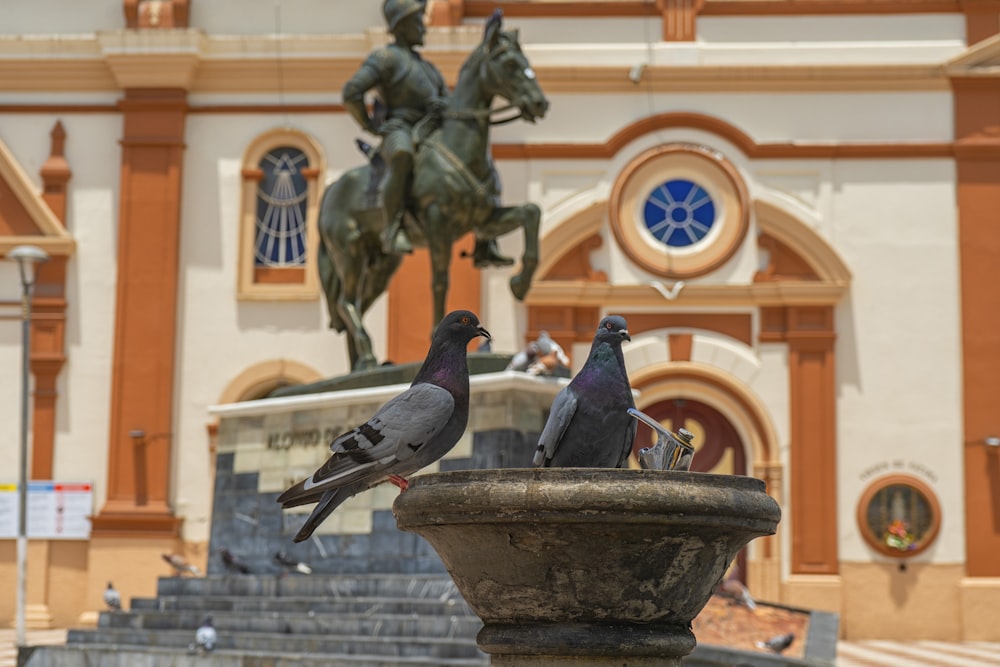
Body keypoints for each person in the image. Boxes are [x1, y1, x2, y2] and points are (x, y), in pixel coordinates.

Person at [342, 0, 449, 255]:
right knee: (402, 157)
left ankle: (482, 235)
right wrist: (369, 125)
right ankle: (393, 228)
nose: (423, 27)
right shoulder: (385, 58)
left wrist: (442, 106)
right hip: (399, 128)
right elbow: (352, 91)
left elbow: (450, 101)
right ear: (402, 25)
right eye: (417, 21)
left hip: (430, 130)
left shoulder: (429, 69)